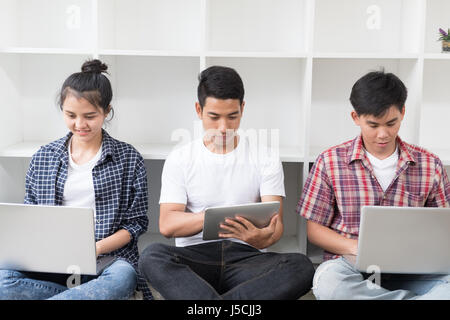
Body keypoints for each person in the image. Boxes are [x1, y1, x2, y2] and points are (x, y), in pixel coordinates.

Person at [138, 65, 314, 300]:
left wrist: (262, 238)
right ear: (199, 110)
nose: (223, 128)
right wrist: (211, 217)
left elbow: (276, 227)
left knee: (301, 266)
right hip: (195, 258)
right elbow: (168, 225)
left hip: (248, 258)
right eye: (214, 117)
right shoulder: (181, 158)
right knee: (152, 257)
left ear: (242, 108)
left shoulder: (266, 157)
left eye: (232, 116)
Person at [0, 59, 151, 300]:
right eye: (71, 115)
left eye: (90, 116)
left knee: (123, 279)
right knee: (3, 280)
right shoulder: (44, 157)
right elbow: (30, 216)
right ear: (62, 109)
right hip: (50, 258)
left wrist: (95, 248)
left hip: (107, 259)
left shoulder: (128, 158)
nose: (80, 125)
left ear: (107, 111)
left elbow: (136, 224)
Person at [297, 70, 450, 300]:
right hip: (350, 265)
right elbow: (315, 230)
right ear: (355, 117)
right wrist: (355, 247)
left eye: (391, 123)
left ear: (403, 113)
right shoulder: (329, 161)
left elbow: (443, 227)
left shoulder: (430, 165)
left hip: (413, 267)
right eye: (373, 125)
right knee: (328, 284)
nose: (383, 134)